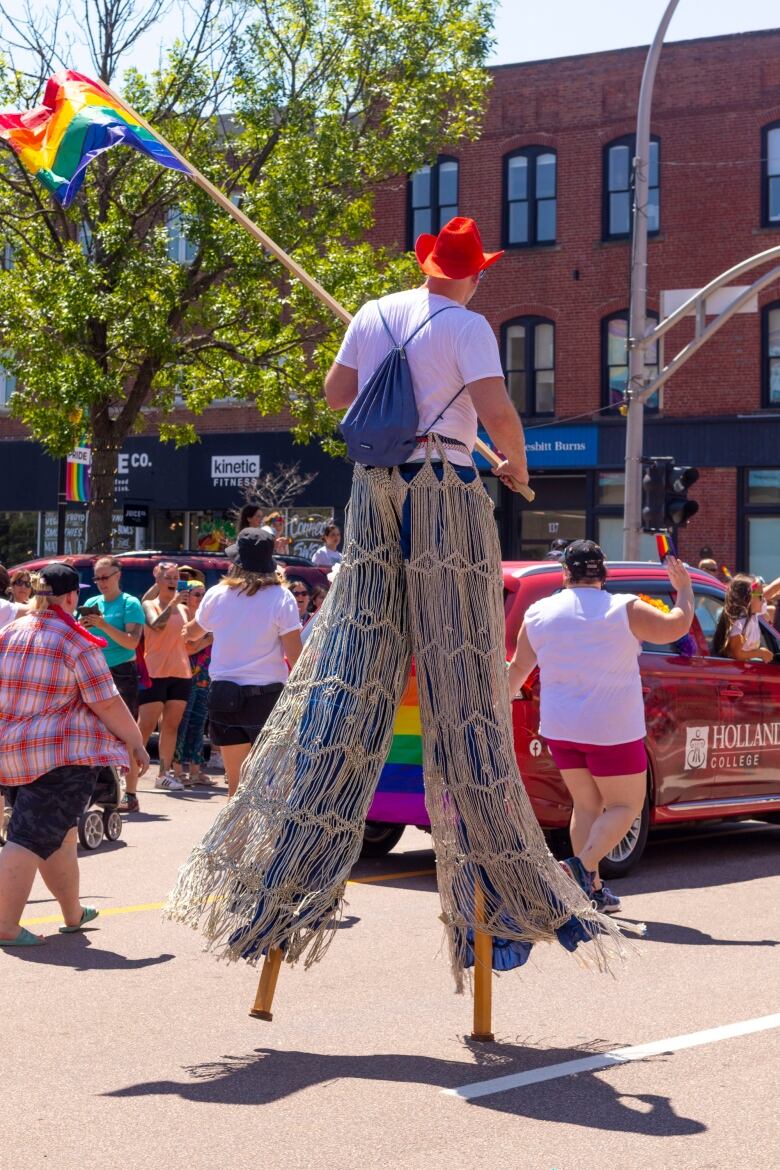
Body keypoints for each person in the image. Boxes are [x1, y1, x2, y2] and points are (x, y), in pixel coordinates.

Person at [167, 216, 625, 989]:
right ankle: (502, 901)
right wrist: (511, 464)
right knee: (459, 680)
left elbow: (337, 393)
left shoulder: (378, 311)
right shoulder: (468, 324)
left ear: (425, 265)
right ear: (473, 273)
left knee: (359, 657)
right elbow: (496, 408)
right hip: (444, 492)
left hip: (373, 494)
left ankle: (275, 894)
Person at [507, 540, 694, 913]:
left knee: (587, 804)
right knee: (625, 806)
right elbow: (676, 627)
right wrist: (685, 589)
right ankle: (581, 867)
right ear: (603, 574)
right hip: (612, 728)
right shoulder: (623, 608)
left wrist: (497, 709)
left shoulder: (539, 612)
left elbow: (517, 673)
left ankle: (588, 892)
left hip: (561, 727)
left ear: (565, 573)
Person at [0, 563, 149, 945]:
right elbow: (108, 703)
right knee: (28, 838)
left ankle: (72, 912)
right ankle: (4, 924)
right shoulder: (76, 641)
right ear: (71, 597)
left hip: (15, 752)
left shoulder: (11, 632)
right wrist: (134, 742)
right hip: (60, 755)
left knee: (61, 835)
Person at [181, 528, 302, 797]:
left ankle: (234, 839)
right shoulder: (282, 598)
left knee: (235, 785)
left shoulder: (216, 595)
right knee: (269, 784)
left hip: (225, 697)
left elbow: (191, 634)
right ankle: (267, 838)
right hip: (266, 699)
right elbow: (296, 656)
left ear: (236, 562)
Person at [80, 557, 146, 814]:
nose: (100, 583)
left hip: (121, 672)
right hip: (94, 671)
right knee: (93, 733)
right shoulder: (90, 603)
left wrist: (104, 625)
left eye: (105, 577)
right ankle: (97, 789)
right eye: (97, 578)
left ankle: (130, 794)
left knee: (126, 733)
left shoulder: (130, 603)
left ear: (118, 575)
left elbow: (132, 643)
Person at [138, 563, 192, 792]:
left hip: (180, 672)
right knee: (146, 726)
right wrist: (172, 603)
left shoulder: (183, 609)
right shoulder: (148, 604)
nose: (172, 581)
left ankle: (164, 773)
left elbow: (189, 637)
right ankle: (128, 770)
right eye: (167, 577)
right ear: (157, 581)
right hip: (154, 671)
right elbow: (156, 625)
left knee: (171, 726)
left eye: (175, 577)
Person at [172, 581, 214, 787]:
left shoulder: (206, 618)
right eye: (197, 594)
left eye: (203, 594)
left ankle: (196, 770)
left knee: (198, 724)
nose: (201, 598)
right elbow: (188, 649)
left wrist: (203, 640)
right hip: (186, 675)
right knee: (182, 723)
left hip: (205, 677)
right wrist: (207, 640)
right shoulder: (183, 617)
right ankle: (177, 768)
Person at [713, 574, 774, 662]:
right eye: (760, 596)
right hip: (736, 672)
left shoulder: (753, 614)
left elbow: (772, 590)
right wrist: (760, 653)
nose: (764, 600)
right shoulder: (740, 622)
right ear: (748, 598)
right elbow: (737, 654)